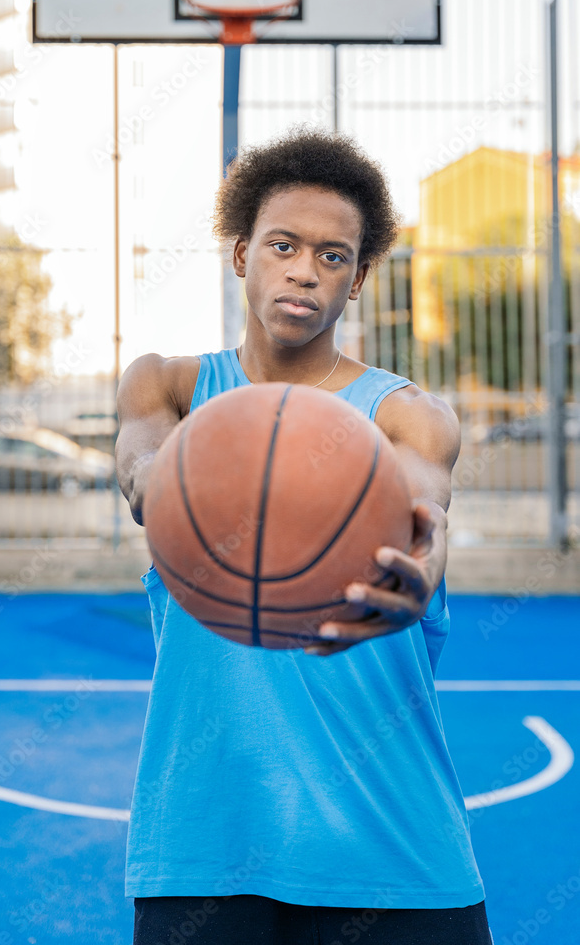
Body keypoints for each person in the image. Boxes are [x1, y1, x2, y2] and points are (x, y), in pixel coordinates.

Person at [115, 127, 493, 945]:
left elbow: (422, 510)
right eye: (283, 245)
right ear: (241, 254)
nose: (303, 270)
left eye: (332, 257)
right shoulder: (167, 387)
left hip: (394, 851)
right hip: (205, 851)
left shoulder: (408, 415)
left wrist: (417, 567)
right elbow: (144, 475)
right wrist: (192, 477)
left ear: (356, 282)